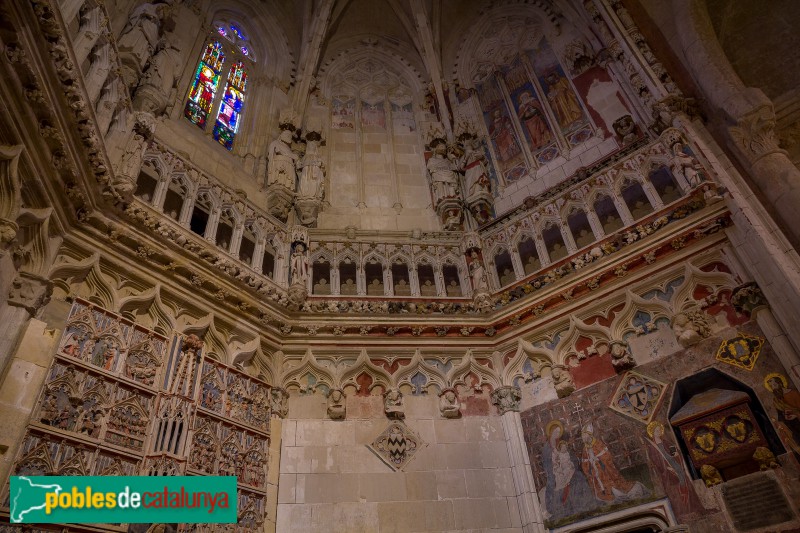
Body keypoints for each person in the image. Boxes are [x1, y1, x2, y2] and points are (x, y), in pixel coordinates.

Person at [643, 421, 704, 518]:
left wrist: (676, 454)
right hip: (666, 472)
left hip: (676, 466)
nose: (659, 432)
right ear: (652, 433)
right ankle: (683, 511)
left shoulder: (666, 442)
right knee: (674, 490)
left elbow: (674, 452)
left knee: (684, 482)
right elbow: (656, 461)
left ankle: (692, 507)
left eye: (660, 430)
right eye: (657, 431)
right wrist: (667, 468)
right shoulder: (652, 447)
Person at [580, 422, 648, 502]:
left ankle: (615, 492)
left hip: (604, 469)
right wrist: (590, 466)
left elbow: (606, 455)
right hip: (595, 472)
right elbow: (584, 462)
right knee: (599, 487)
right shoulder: (585, 449)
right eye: (582, 436)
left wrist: (597, 460)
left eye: (584, 435)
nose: (583, 438)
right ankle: (605, 494)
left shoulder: (598, 443)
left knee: (616, 484)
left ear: (589, 435)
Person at [542, 420, 595, 521]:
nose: (557, 434)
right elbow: (547, 466)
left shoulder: (561, 443)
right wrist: (557, 469)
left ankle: (584, 505)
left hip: (568, 469)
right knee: (556, 483)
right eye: (556, 432)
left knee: (579, 476)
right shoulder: (546, 449)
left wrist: (571, 465)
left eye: (559, 432)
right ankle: (563, 508)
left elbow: (570, 456)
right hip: (555, 472)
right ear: (551, 432)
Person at [426, 140, 460, 207]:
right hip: (439, 178)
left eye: (444, 147)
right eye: (441, 146)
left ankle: (453, 196)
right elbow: (431, 169)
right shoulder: (432, 160)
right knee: (438, 178)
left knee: (451, 179)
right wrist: (440, 170)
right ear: (435, 149)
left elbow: (456, 168)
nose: (443, 148)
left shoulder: (447, 161)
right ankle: (441, 197)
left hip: (449, 176)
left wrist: (452, 159)